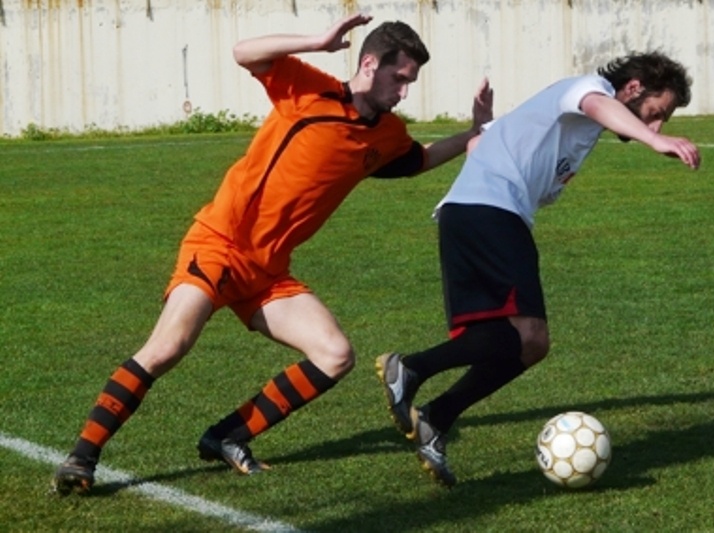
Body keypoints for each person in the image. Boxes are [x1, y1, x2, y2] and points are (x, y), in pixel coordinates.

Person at [52, 13, 493, 495]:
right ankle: (82, 456)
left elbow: (419, 159)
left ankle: (227, 436)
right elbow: (245, 52)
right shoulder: (308, 90)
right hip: (219, 244)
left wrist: (473, 134)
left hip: (267, 271)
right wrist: (317, 42)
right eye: (399, 77)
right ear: (368, 64)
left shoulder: (386, 134)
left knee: (334, 354)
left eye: (410, 81)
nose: (404, 91)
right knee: (168, 347)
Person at [376, 51, 701, 487]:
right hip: (489, 211)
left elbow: (490, 142)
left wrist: (485, 129)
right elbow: (596, 103)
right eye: (655, 113)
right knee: (526, 333)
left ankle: (437, 416)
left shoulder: (578, 132)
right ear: (634, 88)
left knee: (529, 343)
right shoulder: (589, 92)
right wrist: (653, 140)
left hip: (478, 213)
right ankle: (410, 367)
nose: (656, 125)